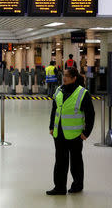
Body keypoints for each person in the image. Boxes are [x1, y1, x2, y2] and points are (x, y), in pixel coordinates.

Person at [46, 67, 95, 195]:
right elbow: (54, 110)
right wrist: (51, 127)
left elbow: (90, 114)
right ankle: (60, 187)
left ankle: (77, 186)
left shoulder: (82, 93)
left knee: (76, 162)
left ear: (74, 78)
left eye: (67, 76)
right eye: (64, 75)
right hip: (59, 133)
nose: (64, 78)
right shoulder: (58, 90)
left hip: (75, 134)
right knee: (60, 162)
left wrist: (86, 133)